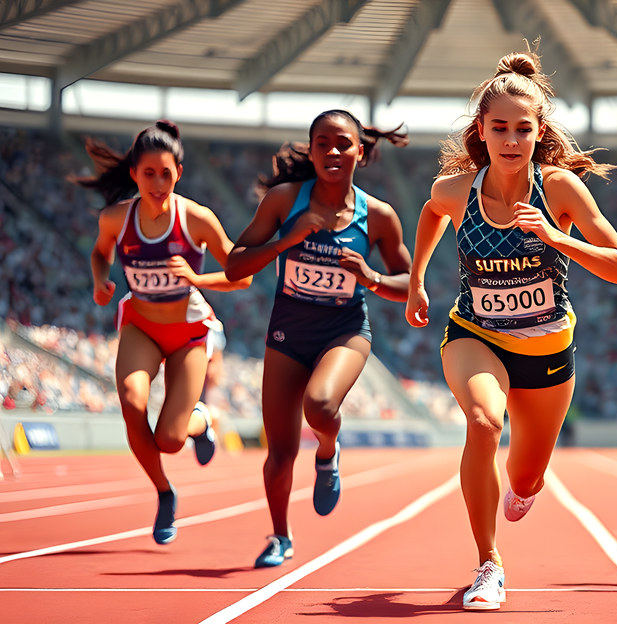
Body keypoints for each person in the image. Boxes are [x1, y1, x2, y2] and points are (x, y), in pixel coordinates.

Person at [405, 51, 617, 610]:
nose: (511, 139)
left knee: (526, 478)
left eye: (522, 129)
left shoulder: (559, 190)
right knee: (483, 422)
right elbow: (432, 212)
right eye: (499, 128)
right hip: (475, 334)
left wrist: (559, 239)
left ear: (540, 133)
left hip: (547, 350)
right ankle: (489, 563)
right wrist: (417, 279)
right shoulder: (456, 189)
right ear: (480, 132)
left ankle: (525, 488)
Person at [225, 110, 411, 568]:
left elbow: (411, 282)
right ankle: (279, 537)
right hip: (287, 333)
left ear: (360, 152)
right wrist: (287, 241)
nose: (332, 151)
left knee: (322, 406)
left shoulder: (379, 216)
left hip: (343, 331)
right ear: (311, 151)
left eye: (343, 143)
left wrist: (370, 277)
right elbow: (234, 265)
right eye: (322, 143)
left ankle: (328, 451)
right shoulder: (284, 201)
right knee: (281, 451)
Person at [82, 120, 252, 544]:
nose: (158, 183)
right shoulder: (116, 219)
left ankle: (201, 419)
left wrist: (197, 278)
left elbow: (242, 276)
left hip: (189, 333)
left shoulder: (196, 219)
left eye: (166, 173)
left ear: (179, 171)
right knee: (130, 399)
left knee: (170, 440)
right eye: (148, 174)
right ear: (134, 174)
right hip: (141, 326)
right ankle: (163, 492)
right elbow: (100, 255)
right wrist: (100, 283)